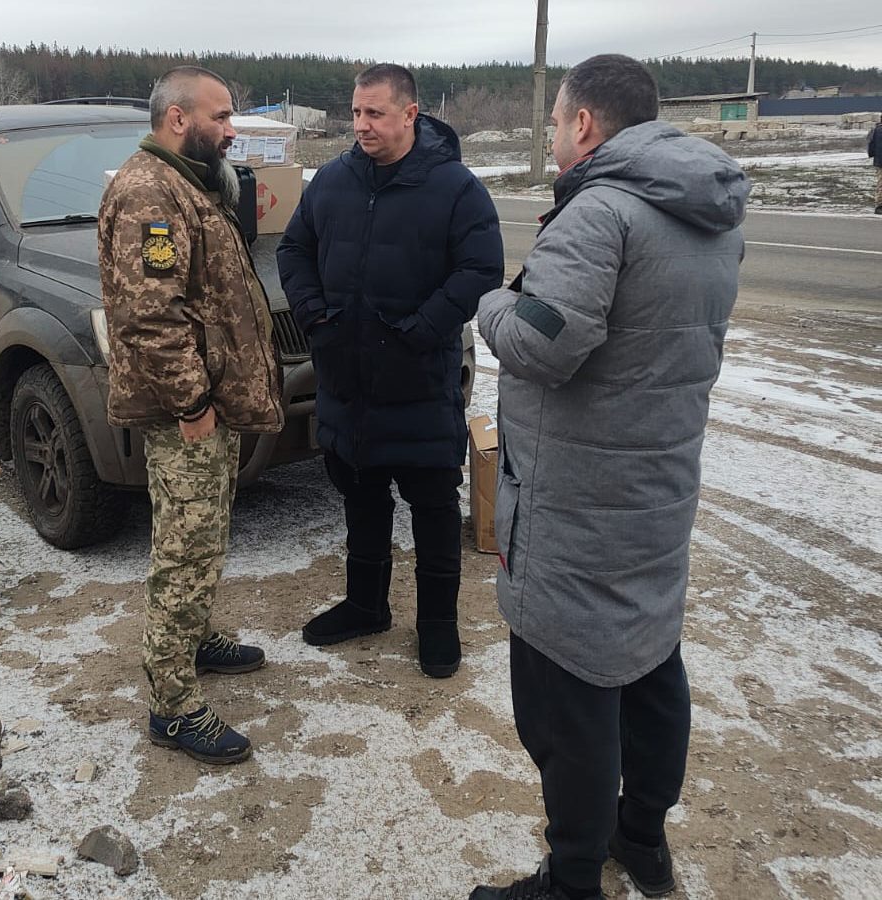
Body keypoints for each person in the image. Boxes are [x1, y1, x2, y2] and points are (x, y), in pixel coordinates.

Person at [468, 55, 750, 900]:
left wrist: (489, 304)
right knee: (652, 666)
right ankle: (644, 842)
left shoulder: (601, 214)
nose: (554, 136)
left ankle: (574, 878)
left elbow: (541, 343)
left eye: (556, 122)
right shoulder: (708, 214)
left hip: (576, 505)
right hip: (656, 492)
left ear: (584, 124)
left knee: (569, 704)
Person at [277, 63, 503, 678]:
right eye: (356, 113)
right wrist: (313, 314)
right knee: (361, 495)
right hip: (347, 380)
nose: (361, 125)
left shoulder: (455, 188)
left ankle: (438, 628)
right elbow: (294, 248)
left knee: (432, 506)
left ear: (410, 114)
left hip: (418, 380)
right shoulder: (333, 180)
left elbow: (482, 268)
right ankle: (364, 605)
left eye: (374, 113)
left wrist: (425, 328)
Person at [98, 66, 284, 765]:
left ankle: (195, 637)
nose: (233, 128)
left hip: (207, 407)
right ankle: (172, 706)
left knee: (203, 538)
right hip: (186, 414)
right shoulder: (149, 191)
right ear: (179, 119)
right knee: (184, 548)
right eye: (223, 116)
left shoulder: (189, 182)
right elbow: (150, 316)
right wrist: (193, 403)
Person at [869, 121, 882, 214]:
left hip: (879, 162)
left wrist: (872, 155)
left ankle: (879, 205)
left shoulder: (875, 130)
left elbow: (871, 146)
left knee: (880, 184)